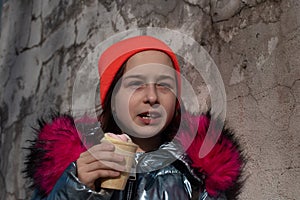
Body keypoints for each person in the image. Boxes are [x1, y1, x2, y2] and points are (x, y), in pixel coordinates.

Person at [24, 35, 245, 200]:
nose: (151, 97)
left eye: (164, 85)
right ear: (111, 98)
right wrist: (77, 186)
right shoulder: (69, 169)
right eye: (135, 84)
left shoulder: (196, 175)